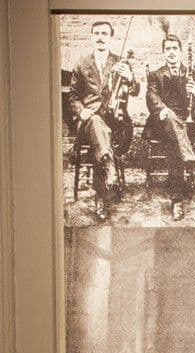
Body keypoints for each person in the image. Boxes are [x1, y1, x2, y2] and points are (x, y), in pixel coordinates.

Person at [67, 20, 137, 222]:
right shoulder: (81, 63)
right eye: (96, 33)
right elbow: (72, 96)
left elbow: (135, 91)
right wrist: (81, 111)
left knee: (102, 136)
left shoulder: (120, 61)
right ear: (91, 37)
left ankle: (106, 167)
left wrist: (130, 78)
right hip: (88, 120)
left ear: (110, 37)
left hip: (115, 120)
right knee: (97, 125)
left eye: (104, 33)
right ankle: (101, 196)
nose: (100, 37)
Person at [146, 33, 195, 221]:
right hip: (161, 121)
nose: (171, 52)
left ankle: (177, 199)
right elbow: (151, 98)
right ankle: (191, 167)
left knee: (175, 144)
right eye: (168, 49)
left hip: (187, 123)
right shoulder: (156, 74)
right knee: (171, 125)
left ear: (180, 52)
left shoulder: (192, 73)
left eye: (175, 49)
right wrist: (162, 109)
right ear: (164, 52)